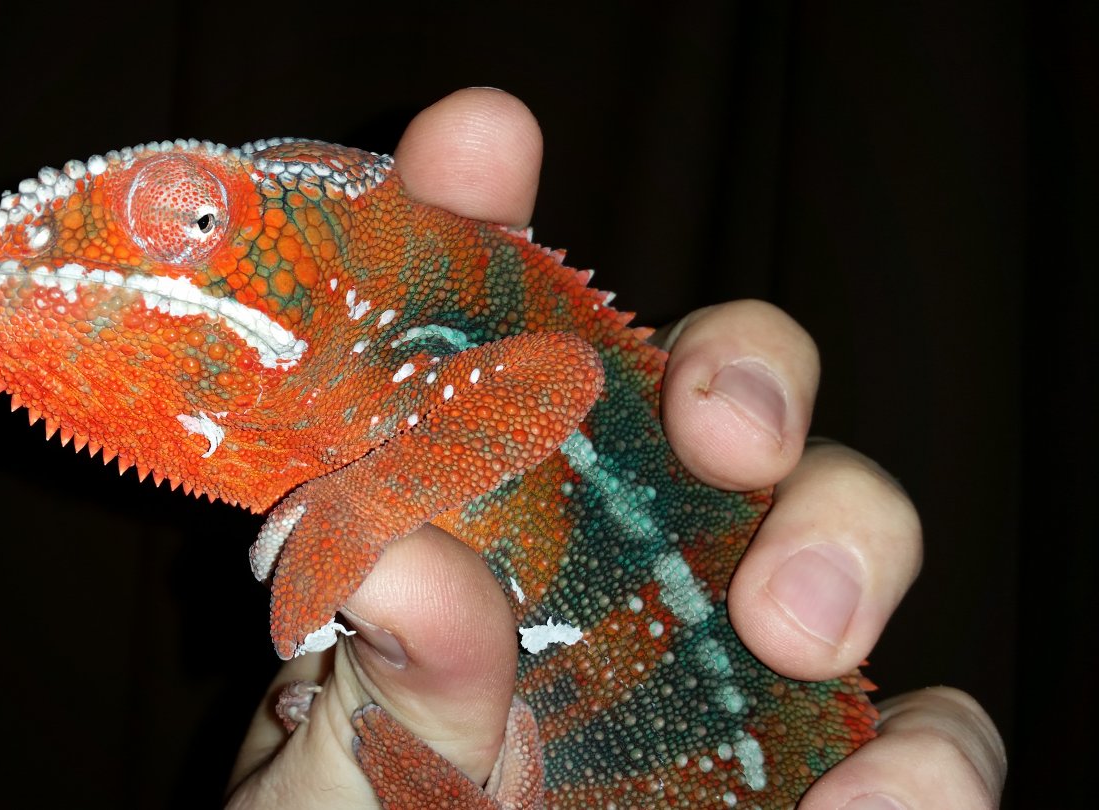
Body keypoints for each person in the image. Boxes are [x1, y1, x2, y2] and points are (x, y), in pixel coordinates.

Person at [225, 89, 1005, 809]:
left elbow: (561, 377)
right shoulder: (414, 370)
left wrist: (368, 508)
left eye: (201, 220)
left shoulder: (430, 346)